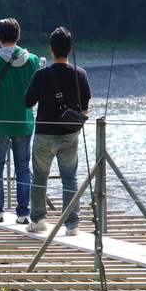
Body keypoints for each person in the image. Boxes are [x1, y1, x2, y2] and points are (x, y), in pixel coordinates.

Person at [24, 27, 91, 236]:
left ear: (50, 49)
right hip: (70, 134)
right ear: (70, 49)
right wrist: (77, 128)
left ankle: (38, 221)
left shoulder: (41, 74)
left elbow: (28, 102)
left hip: (44, 133)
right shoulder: (80, 74)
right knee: (69, 177)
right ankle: (72, 225)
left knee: (39, 177)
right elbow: (85, 109)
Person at [0, 18, 40, 224]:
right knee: (23, 167)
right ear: (18, 36)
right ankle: (23, 213)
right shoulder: (32, 60)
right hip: (24, 121)